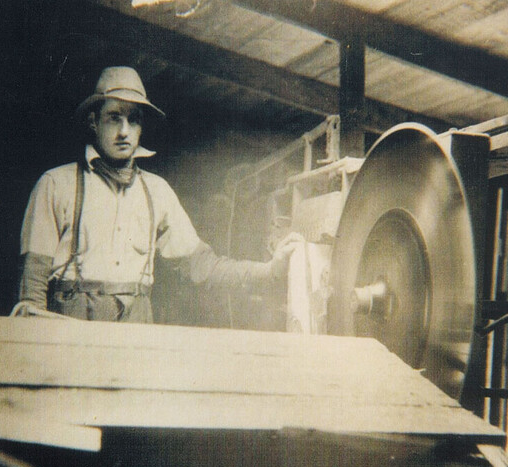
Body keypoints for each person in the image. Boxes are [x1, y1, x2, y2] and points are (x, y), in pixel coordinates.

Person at [18, 66, 299, 323]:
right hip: (72, 326)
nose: (124, 132)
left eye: (134, 120)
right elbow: (32, 287)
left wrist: (270, 269)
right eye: (114, 118)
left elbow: (203, 267)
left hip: (136, 325)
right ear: (94, 121)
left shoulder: (157, 192)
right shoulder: (57, 184)